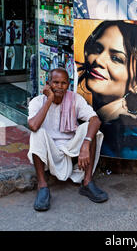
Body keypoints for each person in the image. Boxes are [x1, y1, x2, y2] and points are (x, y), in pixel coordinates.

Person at [27, 67, 108, 212]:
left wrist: (85, 144)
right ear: (48, 83)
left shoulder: (74, 99)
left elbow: (95, 120)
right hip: (49, 150)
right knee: (37, 133)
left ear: (68, 85)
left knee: (91, 129)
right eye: (55, 82)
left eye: (63, 83)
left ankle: (87, 183)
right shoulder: (37, 102)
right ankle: (42, 186)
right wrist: (49, 99)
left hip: (70, 149)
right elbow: (33, 125)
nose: (59, 87)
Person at [76, 21, 137, 159]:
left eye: (116, 58)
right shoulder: (101, 119)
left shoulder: (131, 137)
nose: (99, 60)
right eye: (97, 49)